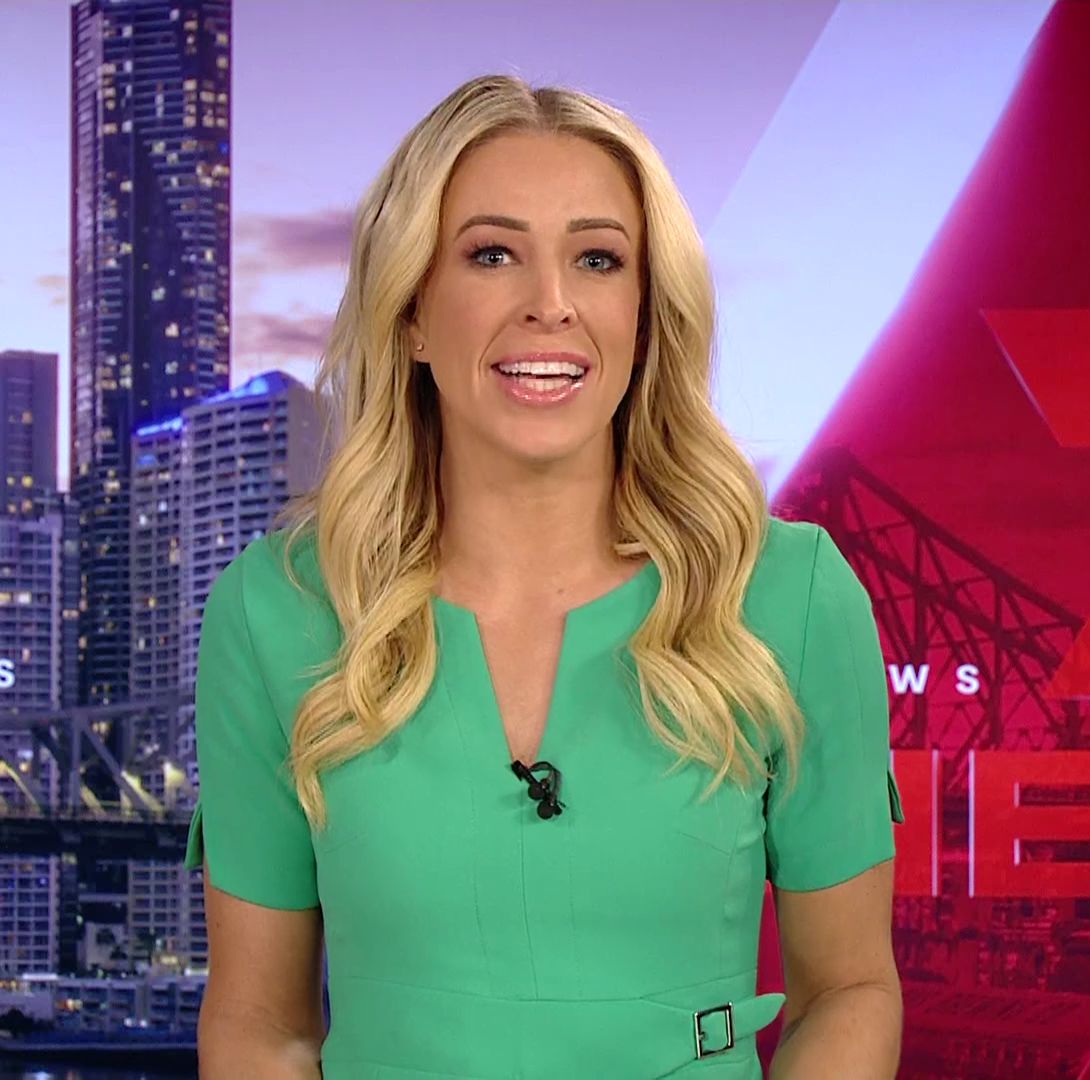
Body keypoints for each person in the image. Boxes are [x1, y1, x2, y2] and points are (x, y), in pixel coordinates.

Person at [184, 73, 905, 1079]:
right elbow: (262, 1026)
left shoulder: (791, 598)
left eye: (598, 260)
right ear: (412, 314)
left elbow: (849, 993)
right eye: (492, 255)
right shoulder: (279, 609)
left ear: (645, 316)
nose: (551, 306)